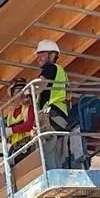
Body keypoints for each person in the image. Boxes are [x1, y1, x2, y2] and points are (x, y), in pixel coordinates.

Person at [32, 39, 71, 169]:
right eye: (38, 55)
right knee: (56, 154)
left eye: (42, 54)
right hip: (59, 117)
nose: (38, 58)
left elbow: (40, 86)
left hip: (53, 115)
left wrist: (26, 91)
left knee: (48, 154)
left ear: (52, 55)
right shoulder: (60, 71)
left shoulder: (50, 68)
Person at [4, 78, 36, 165]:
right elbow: (9, 136)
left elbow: (30, 124)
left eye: (23, 90)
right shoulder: (10, 115)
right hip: (15, 149)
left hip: (27, 145)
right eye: (18, 91)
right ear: (12, 95)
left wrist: (11, 130)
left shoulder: (29, 107)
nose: (22, 93)